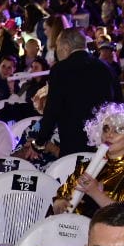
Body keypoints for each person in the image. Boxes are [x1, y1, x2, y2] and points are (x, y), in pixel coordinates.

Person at [53, 103, 124, 216]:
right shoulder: (86, 168)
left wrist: (95, 193)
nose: (109, 135)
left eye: (118, 130)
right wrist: (59, 204)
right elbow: (60, 201)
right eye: (106, 129)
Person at [27, 28, 119, 158]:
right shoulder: (107, 68)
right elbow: (119, 106)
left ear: (65, 47)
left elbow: (52, 109)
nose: (57, 51)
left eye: (57, 47)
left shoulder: (60, 70)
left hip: (73, 144)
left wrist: (39, 142)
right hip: (103, 144)